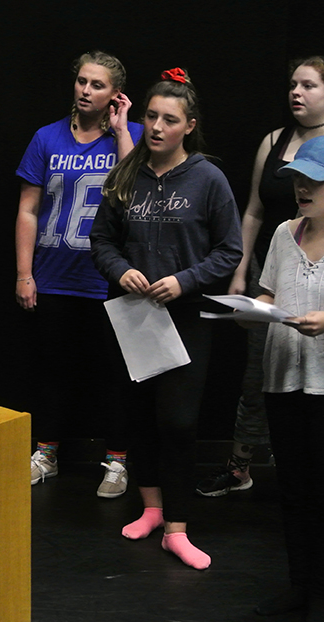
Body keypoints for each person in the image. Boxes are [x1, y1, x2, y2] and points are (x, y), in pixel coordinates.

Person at [90, 68, 242, 570]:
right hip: (133, 316)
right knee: (138, 417)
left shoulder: (208, 179)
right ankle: (152, 509)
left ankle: (177, 527)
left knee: (177, 421)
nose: (155, 126)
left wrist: (185, 280)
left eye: (168, 119)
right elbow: (102, 241)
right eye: (151, 116)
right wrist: (123, 269)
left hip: (184, 317)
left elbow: (229, 251)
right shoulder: (126, 173)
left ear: (189, 126)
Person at [15, 51, 143, 497]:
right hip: (54, 274)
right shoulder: (47, 138)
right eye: (82, 82)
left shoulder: (134, 136)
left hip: (107, 278)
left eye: (98, 85)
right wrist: (23, 273)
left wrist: (124, 130)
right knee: (51, 369)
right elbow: (29, 208)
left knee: (114, 374)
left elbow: (135, 192)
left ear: (115, 94)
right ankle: (46, 452)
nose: (87, 91)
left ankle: (117, 460)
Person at [197, 56, 324, 497]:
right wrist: (238, 273)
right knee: (262, 371)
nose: (296, 92)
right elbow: (252, 210)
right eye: (293, 84)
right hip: (276, 263)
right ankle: (240, 465)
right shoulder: (275, 141)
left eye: (308, 85)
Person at [246, 136, 324, 619]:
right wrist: (248, 312)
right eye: (297, 179)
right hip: (283, 379)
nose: (301, 187)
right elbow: (269, 296)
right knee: (293, 488)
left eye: (312, 180)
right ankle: (302, 583)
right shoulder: (282, 233)